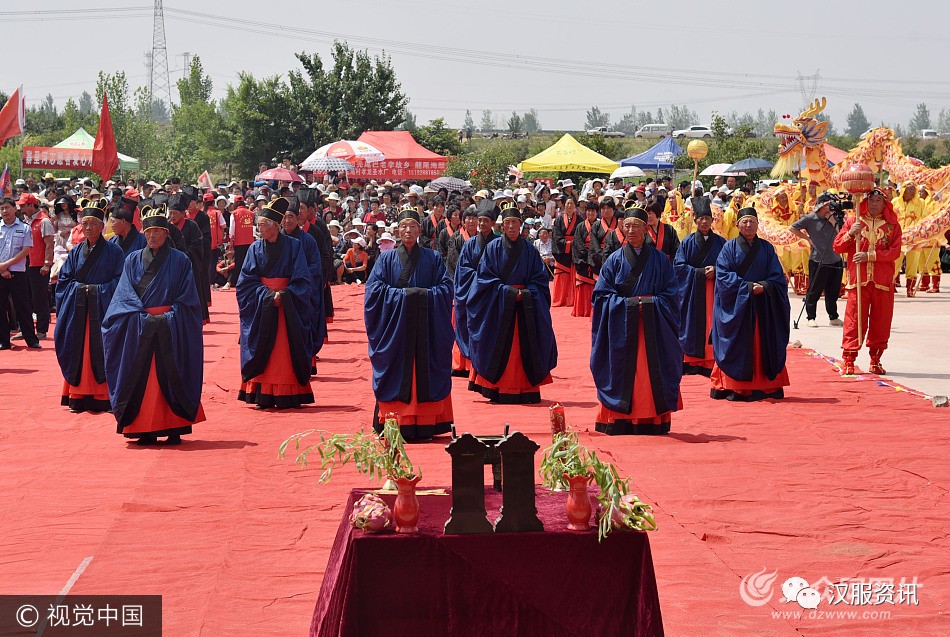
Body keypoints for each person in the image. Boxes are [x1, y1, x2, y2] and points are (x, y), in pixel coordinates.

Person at [101, 204, 206, 445]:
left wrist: (168, 318)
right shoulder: (133, 260)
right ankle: (144, 428)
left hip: (171, 325)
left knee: (171, 374)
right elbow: (123, 296)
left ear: (166, 233)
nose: (152, 236)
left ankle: (173, 426)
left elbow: (189, 300)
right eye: (148, 233)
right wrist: (141, 318)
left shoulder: (181, 261)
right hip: (140, 325)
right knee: (142, 378)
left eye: (157, 231)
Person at [364, 205, 454, 441]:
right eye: (403, 226)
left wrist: (419, 296)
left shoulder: (433, 258)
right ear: (397, 231)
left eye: (413, 226)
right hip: (396, 328)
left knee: (426, 367)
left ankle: (426, 422)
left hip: (427, 326)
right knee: (395, 368)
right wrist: (405, 297)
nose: (408, 230)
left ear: (419, 231)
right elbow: (374, 291)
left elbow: (446, 288)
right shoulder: (386, 259)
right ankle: (396, 420)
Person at [591, 205, 683, 434]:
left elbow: (672, 293)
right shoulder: (614, 260)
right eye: (627, 226)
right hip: (622, 328)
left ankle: (651, 419)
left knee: (652, 373)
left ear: (646, 229)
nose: (631, 230)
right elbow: (602, 296)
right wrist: (630, 306)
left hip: (653, 328)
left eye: (636, 226)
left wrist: (650, 305)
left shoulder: (661, 260)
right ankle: (620, 419)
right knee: (623, 371)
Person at [467, 201, 557, 404]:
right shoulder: (492, 248)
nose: (511, 227)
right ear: (502, 225)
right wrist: (507, 292)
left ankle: (525, 388)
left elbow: (540, 279)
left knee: (525, 347)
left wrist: (526, 293)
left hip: (526, 306)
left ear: (521, 224)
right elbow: (484, 279)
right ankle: (497, 388)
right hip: (499, 307)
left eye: (515, 222)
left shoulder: (530, 250)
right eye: (507, 223)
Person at [236, 197, 314, 409]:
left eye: (262, 224)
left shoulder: (294, 246)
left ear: (275, 225)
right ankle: (261, 390)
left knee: (284, 350)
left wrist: (286, 295)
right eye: (259, 224)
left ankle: (287, 391)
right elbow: (245, 282)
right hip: (264, 304)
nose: (259, 228)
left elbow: (303, 278)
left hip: (287, 305)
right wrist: (268, 296)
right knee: (263, 346)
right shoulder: (254, 248)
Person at [710, 207, 791, 401]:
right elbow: (723, 275)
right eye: (744, 222)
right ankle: (735, 386)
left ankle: (765, 386)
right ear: (737, 225)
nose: (748, 225)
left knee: (764, 342)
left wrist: (764, 286)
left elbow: (777, 276)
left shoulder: (766, 248)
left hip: (763, 305)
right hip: (738, 306)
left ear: (757, 224)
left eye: (752, 222)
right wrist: (747, 287)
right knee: (737, 342)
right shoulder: (728, 248)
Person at [54, 200, 125, 412]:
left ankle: (103, 396)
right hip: (78, 312)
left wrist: (95, 291)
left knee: (102, 350)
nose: (88, 228)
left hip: (102, 312)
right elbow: (64, 280)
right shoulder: (76, 252)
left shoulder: (114, 252)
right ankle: (77, 395)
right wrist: (80, 290)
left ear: (102, 227)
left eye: (93, 223)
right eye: (85, 224)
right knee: (77, 350)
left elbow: (120, 282)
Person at [833, 188, 902, 375]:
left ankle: (876, 360)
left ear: (885, 203)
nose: (874, 204)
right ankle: (848, 359)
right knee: (854, 321)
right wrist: (849, 234)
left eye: (878, 201)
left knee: (882, 321)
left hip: (883, 280)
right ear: (866, 201)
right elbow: (837, 246)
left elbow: (895, 252)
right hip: (859, 280)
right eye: (871, 200)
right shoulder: (854, 221)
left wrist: (870, 256)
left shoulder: (892, 225)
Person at [674, 198, 727, 376]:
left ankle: (713, 359)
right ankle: (692, 360)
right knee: (692, 324)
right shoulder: (687, 242)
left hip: (715, 290)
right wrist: (699, 272)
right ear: (695, 220)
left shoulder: (721, 243)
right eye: (701, 218)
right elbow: (679, 266)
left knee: (713, 322)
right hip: (693, 292)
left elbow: (730, 265)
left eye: (707, 218)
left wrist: (717, 269)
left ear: (712, 220)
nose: (704, 221)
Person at [454, 200, 498, 379]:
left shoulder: (499, 242)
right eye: (480, 220)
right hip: (473, 295)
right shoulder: (470, 244)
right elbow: (462, 271)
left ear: (493, 223)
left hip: (493, 296)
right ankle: (473, 368)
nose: (481, 224)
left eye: (485, 221)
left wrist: (489, 282)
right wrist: (482, 280)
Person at [789, 193, 845, 327]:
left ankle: (833, 316)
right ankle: (811, 317)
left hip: (835, 258)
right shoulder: (810, 218)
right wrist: (807, 239)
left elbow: (842, 234)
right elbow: (793, 228)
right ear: (821, 206)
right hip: (818, 259)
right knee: (815, 289)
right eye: (827, 205)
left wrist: (833, 221)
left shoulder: (835, 218)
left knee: (833, 290)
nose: (829, 207)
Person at [0, 197, 41, 349]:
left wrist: (7, 265)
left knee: (23, 306)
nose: (4, 211)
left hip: (18, 272)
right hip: (0, 273)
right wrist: (2, 269)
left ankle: (31, 338)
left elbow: (26, 250)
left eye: (7, 208)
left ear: (15, 209)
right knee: (1, 307)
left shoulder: (24, 228)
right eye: (2, 208)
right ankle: (3, 340)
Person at [168, 192, 209, 323]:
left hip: (189, 266)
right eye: (170, 213)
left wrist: (183, 256)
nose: (172, 216)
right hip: (171, 268)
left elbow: (197, 246)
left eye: (175, 213)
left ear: (182, 213)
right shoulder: (167, 227)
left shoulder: (192, 226)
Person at [20, 193, 55, 339]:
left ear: (31, 205)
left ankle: (41, 330)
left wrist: (47, 264)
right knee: (25, 297)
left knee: (39, 298)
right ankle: (27, 329)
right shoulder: (26, 220)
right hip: (25, 263)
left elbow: (49, 244)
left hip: (39, 264)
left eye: (23, 205)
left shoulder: (44, 221)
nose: (20, 208)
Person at [891, 181, 927, 296]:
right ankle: (890, 286)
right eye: (909, 188)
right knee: (894, 262)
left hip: (914, 237)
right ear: (903, 189)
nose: (912, 191)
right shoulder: (895, 202)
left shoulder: (920, 203)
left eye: (914, 189)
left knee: (913, 263)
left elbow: (925, 218)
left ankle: (910, 289)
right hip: (897, 237)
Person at [571, 200, 601, 317]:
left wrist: (594, 256)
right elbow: (577, 242)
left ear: (597, 212)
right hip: (583, 258)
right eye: (588, 211)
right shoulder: (580, 226)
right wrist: (585, 256)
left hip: (597, 256)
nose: (590, 213)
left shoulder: (600, 225)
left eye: (593, 211)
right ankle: (583, 309)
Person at [551, 196, 580, 306]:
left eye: (572, 203)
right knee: (561, 276)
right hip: (562, 251)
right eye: (567, 203)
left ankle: (571, 299)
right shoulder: (558, 219)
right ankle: (560, 299)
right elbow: (556, 236)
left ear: (575, 205)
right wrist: (567, 244)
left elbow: (581, 235)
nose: (569, 206)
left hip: (575, 250)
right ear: (564, 205)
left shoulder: (580, 220)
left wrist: (574, 244)